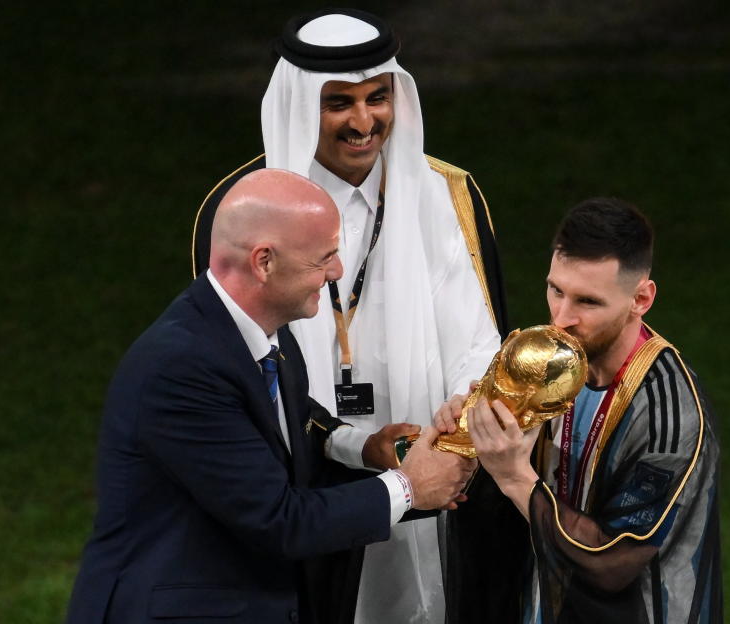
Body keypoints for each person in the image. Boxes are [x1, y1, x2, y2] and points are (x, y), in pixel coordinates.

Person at [190, 8, 507, 624]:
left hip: (435, 467)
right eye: (339, 103)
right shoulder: (243, 210)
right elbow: (238, 372)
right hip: (302, 481)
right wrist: (354, 446)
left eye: (378, 97)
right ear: (303, 105)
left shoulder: (446, 195)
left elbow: (478, 340)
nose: (365, 122)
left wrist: (463, 415)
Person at [64, 169, 475, 624]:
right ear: (264, 262)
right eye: (324, 258)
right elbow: (280, 519)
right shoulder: (180, 368)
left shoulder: (263, 335)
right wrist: (411, 487)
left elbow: (291, 432)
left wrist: (373, 450)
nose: (336, 271)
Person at [438, 198, 723, 623]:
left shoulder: (669, 419)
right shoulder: (553, 366)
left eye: (587, 302)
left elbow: (612, 564)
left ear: (640, 299)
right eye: (556, 290)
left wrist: (514, 473)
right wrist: (470, 433)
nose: (561, 318)